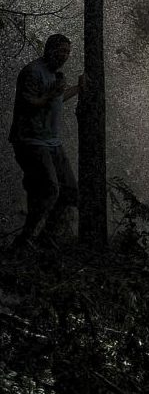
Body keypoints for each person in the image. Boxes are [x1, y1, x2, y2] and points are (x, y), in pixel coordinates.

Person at [8, 34, 83, 249]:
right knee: (50, 189)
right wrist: (52, 93)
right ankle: (26, 239)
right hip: (30, 140)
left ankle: (45, 237)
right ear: (49, 50)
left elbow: (56, 99)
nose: (65, 56)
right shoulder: (32, 72)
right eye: (61, 51)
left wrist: (77, 89)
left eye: (68, 52)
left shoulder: (54, 74)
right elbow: (29, 104)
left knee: (70, 191)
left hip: (51, 141)